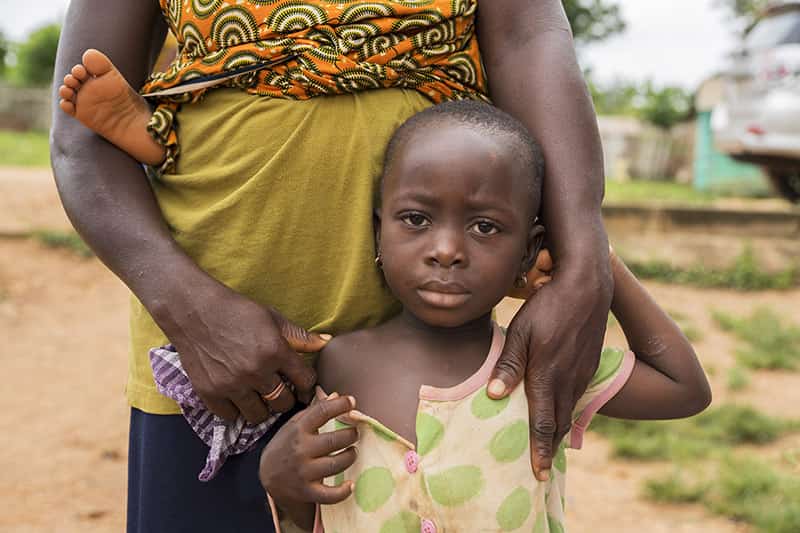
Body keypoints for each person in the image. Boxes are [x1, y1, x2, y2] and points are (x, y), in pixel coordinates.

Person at [51, 1, 615, 531]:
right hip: (211, 363)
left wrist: (587, 267)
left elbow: (528, 36)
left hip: (431, 361)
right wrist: (187, 307)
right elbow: (80, 138)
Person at [259, 101, 711, 532]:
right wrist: (278, 478)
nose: (447, 251)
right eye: (416, 219)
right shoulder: (336, 362)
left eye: (485, 227)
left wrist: (595, 262)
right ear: (380, 232)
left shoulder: (542, 367)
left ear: (529, 251)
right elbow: (321, 513)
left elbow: (683, 388)